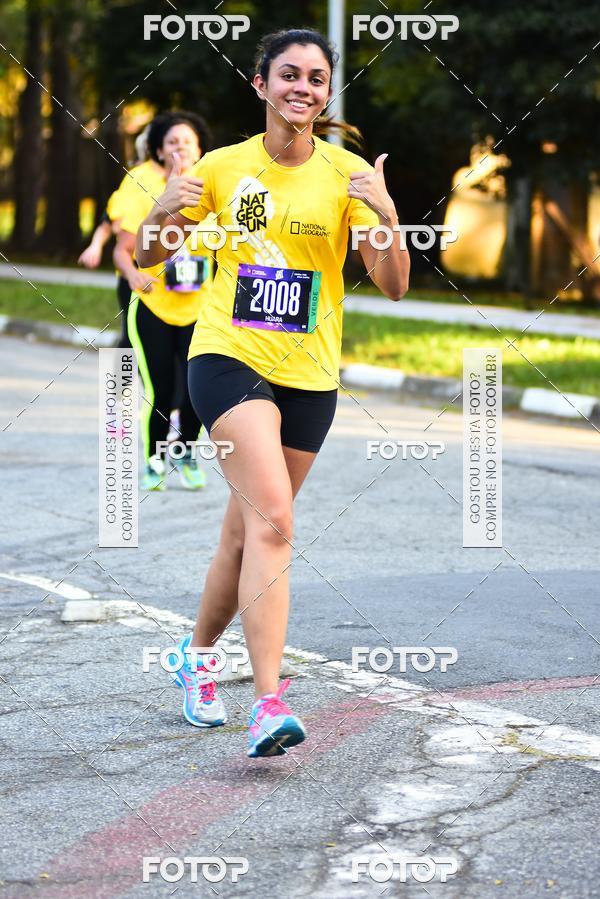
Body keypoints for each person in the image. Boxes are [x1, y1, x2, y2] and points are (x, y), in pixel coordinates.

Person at [136, 29, 410, 756]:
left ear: (327, 93)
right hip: (227, 357)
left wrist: (386, 217)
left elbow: (393, 282)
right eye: (288, 75)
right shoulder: (224, 168)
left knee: (246, 529)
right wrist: (163, 212)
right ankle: (267, 702)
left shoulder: (348, 173)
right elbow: (148, 256)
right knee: (277, 520)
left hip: (311, 376)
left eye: (317, 79)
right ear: (260, 85)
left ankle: (194, 657)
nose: (304, 88)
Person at [116, 110, 214, 491]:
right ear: (158, 150)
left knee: (196, 390)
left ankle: (186, 453)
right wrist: (135, 274)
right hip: (154, 304)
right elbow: (125, 247)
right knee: (159, 387)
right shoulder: (141, 183)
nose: (180, 148)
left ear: (200, 148)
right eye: (172, 142)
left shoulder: (214, 185)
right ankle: (155, 460)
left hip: (201, 308)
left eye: (187, 142)